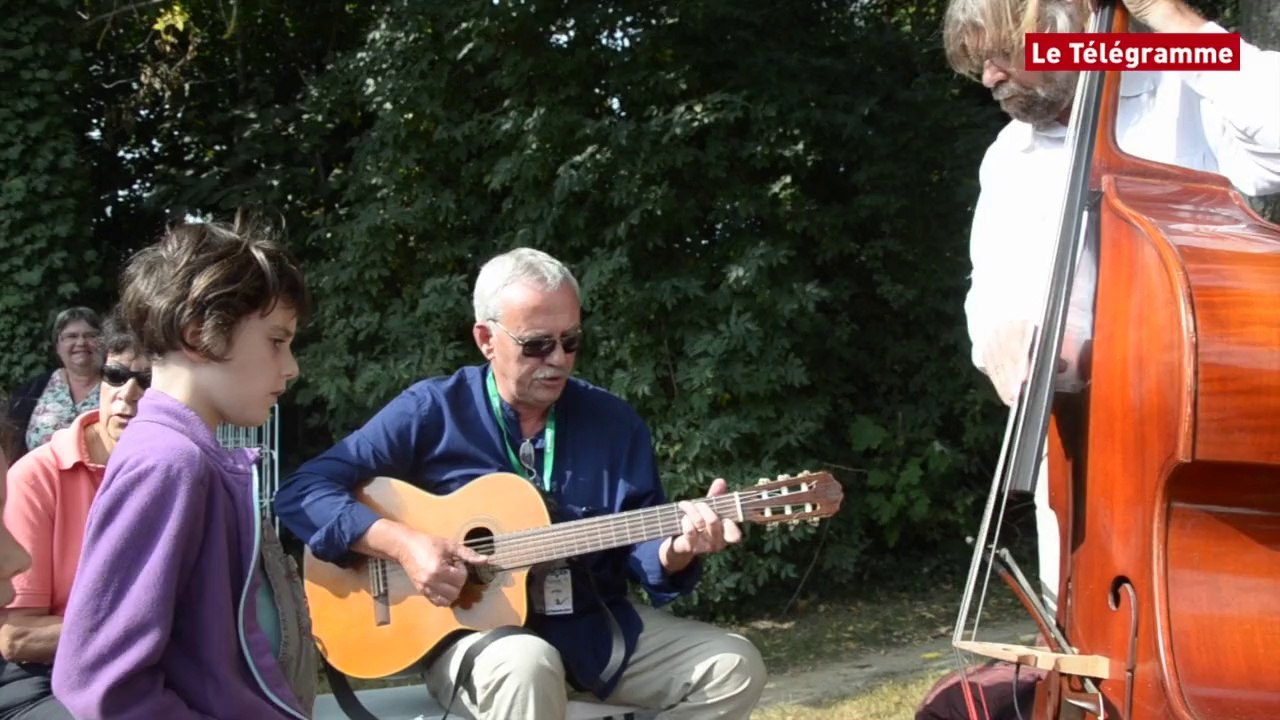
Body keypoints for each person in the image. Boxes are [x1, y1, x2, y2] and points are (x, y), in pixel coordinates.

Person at [274, 247, 767, 719]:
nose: (558, 359)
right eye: (536, 345)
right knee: (527, 665)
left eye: (570, 341)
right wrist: (404, 545)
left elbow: (642, 542)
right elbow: (302, 492)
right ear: (487, 339)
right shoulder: (431, 411)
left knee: (733, 666)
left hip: (593, 629)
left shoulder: (614, 422)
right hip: (473, 640)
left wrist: (677, 547)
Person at [943, 0, 1280, 613]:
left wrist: (1170, 21)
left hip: (1201, 438)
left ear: (1061, 33)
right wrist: (1000, 336)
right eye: (978, 64)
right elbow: (989, 290)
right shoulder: (1006, 157)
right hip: (1079, 460)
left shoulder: (1185, 90)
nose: (989, 77)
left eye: (999, 53)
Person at [50, 218, 317, 720]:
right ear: (201, 334)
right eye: (277, 341)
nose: (292, 366)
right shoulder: (168, 464)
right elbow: (98, 681)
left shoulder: (185, 454)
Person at [0, 311, 149, 720]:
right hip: (43, 678)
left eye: (148, 381)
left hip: (148, 672)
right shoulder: (35, 476)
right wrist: (143, 631)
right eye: (115, 375)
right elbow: (17, 636)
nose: (127, 393)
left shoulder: (180, 472)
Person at [7, 308, 104, 460]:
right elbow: (11, 445)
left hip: (102, 482)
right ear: (58, 346)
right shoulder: (33, 389)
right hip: (39, 480)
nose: (81, 342)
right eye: (71, 336)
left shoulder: (119, 387)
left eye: (90, 335)